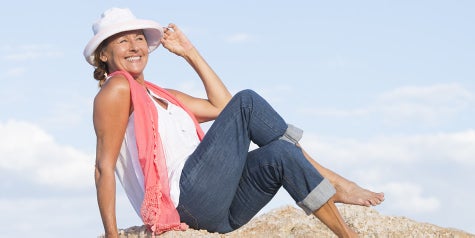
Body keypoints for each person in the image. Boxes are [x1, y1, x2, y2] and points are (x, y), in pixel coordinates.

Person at [84, 7, 384, 238]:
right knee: (248, 100)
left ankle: (347, 234)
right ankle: (331, 180)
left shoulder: (163, 95)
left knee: (282, 154)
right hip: (186, 199)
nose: (135, 46)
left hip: (217, 211)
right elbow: (103, 167)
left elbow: (222, 106)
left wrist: (189, 52)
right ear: (104, 54)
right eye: (122, 40)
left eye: (138, 37)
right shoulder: (117, 89)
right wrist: (111, 234)